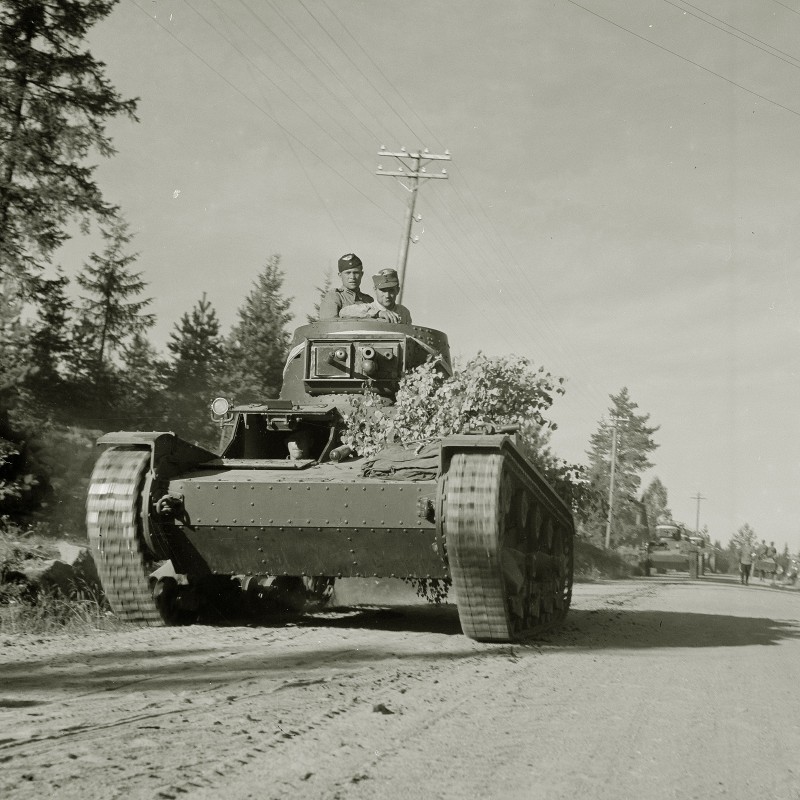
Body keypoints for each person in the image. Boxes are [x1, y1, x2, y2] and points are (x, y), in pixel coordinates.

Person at [338, 268, 412, 324]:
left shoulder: (403, 312)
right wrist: (378, 313)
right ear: (375, 290)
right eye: (383, 290)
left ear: (398, 290)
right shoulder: (369, 308)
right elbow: (344, 312)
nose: (387, 295)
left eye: (391, 290)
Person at [318, 253, 374, 319]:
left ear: (361, 274)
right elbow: (329, 325)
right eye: (348, 273)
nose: (352, 277)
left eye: (356, 273)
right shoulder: (334, 296)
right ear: (340, 275)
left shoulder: (368, 300)